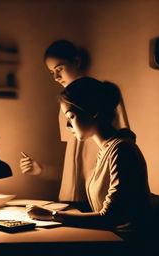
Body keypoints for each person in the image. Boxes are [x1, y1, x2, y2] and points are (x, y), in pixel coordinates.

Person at [26, 77, 159, 256]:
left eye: (71, 117)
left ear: (94, 112)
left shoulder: (122, 150)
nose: (68, 125)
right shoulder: (107, 149)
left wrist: (52, 216)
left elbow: (111, 216)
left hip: (131, 249)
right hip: (111, 243)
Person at [20, 40, 130, 203]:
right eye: (52, 72)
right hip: (72, 198)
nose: (56, 77)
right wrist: (42, 170)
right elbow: (73, 162)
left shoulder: (100, 97)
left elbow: (125, 140)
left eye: (59, 69)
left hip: (100, 198)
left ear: (76, 62)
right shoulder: (64, 106)